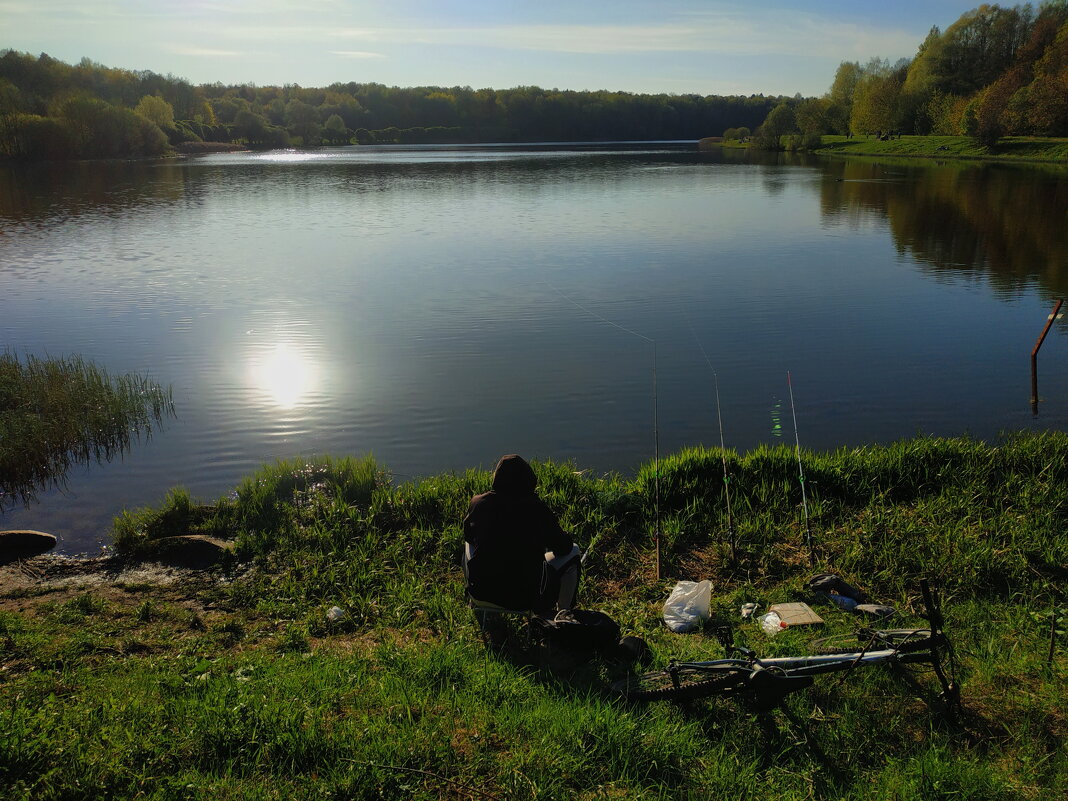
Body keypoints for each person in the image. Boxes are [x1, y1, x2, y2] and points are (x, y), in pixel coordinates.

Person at [462, 454, 581, 615]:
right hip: (525, 601)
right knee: (574, 551)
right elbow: (564, 547)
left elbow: (469, 536)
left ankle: (472, 600)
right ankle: (563, 615)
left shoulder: (479, 503)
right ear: (529, 480)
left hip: (481, 594)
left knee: (468, 544)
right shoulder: (537, 509)